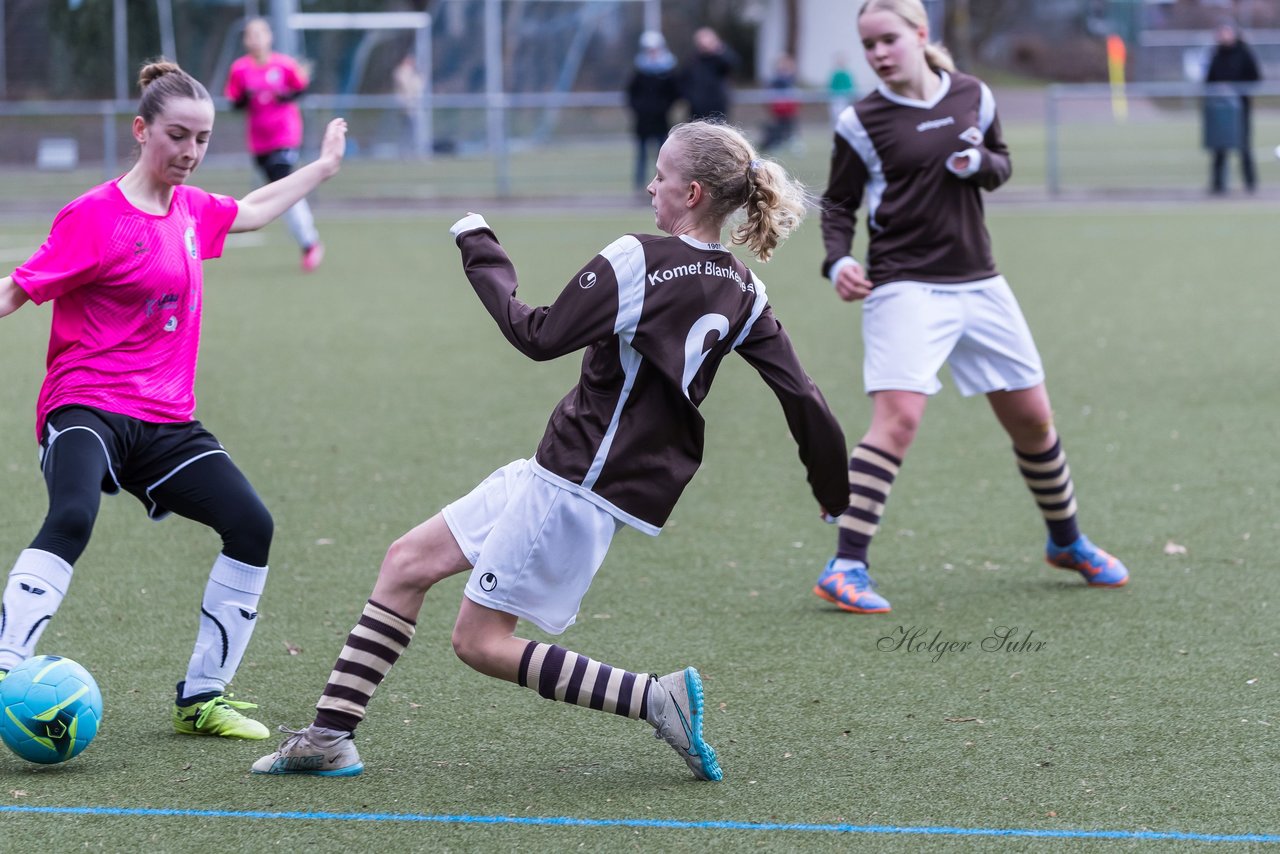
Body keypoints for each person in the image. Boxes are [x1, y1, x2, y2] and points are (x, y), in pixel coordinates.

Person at [250, 120, 850, 779]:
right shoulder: (745, 290)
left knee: (478, 642)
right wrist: (832, 489)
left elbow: (536, 335)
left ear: (693, 192)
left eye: (661, 175)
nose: (652, 185)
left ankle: (655, 698)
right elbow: (804, 396)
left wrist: (480, 249)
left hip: (574, 482)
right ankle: (330, 737)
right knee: (406, 561)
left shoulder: (639, 259)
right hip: (566, 469)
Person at [0, 60, 347, 739]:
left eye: (203, 139)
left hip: (164, 421)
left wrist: (322, 169)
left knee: (252, 526)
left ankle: (203, 697)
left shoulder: (191, 210)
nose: (189, 152)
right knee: (71, 514)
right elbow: (18, 288)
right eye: (176, 136)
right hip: (87, 406)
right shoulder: (94, 217)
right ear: (141, 130)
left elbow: (250, 212)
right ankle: (6, 663)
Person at [814, 0, 1129, 615]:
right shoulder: (860, 120)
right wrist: (838, 261)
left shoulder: (973, 95)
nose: (877, 53)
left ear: (920, 35)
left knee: (1034, 419)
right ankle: (845, 565)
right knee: (899, 420)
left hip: (981, 283)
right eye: (868, 44)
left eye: (887, 40)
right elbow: (837, 206)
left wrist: (978, 162)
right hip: (904, 286)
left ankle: (1066, 542)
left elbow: (1001, 162)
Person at [225, 17, 326, 271]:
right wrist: (245, 99)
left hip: (286, 136)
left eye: (260, 33)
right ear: (246, 40)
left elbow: (302, 88)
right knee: (278, 189)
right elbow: (234, 102)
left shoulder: (283, 65)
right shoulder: (240, 69)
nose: (256, 39)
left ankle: (310, 242)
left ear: (269, 37)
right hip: (259, 141)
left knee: (284, 183)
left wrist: (287, 96)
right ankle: (306, 240)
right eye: (251, 34)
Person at [1205, 23, 1261, 194]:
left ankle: (1250, 184)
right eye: (1221, 33)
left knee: (1244, 145)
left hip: (1241, 107)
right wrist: (1218, 88)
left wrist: (1236, 88)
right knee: (1219, 146)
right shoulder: (1215, 54)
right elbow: (1208, 79)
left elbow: (1255, 77)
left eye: (1227, 32)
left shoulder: (1244, 52)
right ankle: (1217, 184)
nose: (1224, 36)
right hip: (1220, 107)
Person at [625, 30, 680, 192]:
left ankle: (665, 186)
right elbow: (630, 94)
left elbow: (675, 93)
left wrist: (664, 107)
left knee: (663, 156)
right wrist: (639, 109)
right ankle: (638, 188)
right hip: (643, 121)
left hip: (661, 120)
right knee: (641, 156)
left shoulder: (667, 71)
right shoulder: (640, 72)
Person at [681, 27, 739, 122]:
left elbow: (732, 64)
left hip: (717, 108)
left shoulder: (720, 57)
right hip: (696, 109)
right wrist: (689, 97)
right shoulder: (693, 60)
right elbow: (684, 80)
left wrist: (717, 49)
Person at [761, 53, 800, 152]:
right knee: (778, 126)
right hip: (779, 109)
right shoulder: (776, 79)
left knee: (790, 126)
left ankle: (790, 143)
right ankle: (776, 143)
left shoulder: (790, 78)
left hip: (789, 109)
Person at [392, 53, 426, 157]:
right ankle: (405, 152)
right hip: (407, 107)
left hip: (414, 107)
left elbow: (419, 87)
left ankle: (413, 152)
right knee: (407, 131)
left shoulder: (412, 73)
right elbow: (407, 87)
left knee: (413, 131)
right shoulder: (402, 72)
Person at [827, 52, 858, 127]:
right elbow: (831, 86)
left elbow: (850, 86)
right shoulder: (835, 73)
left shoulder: (847, 74)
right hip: (836, 98)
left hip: (845, 98)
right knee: (835, 115)